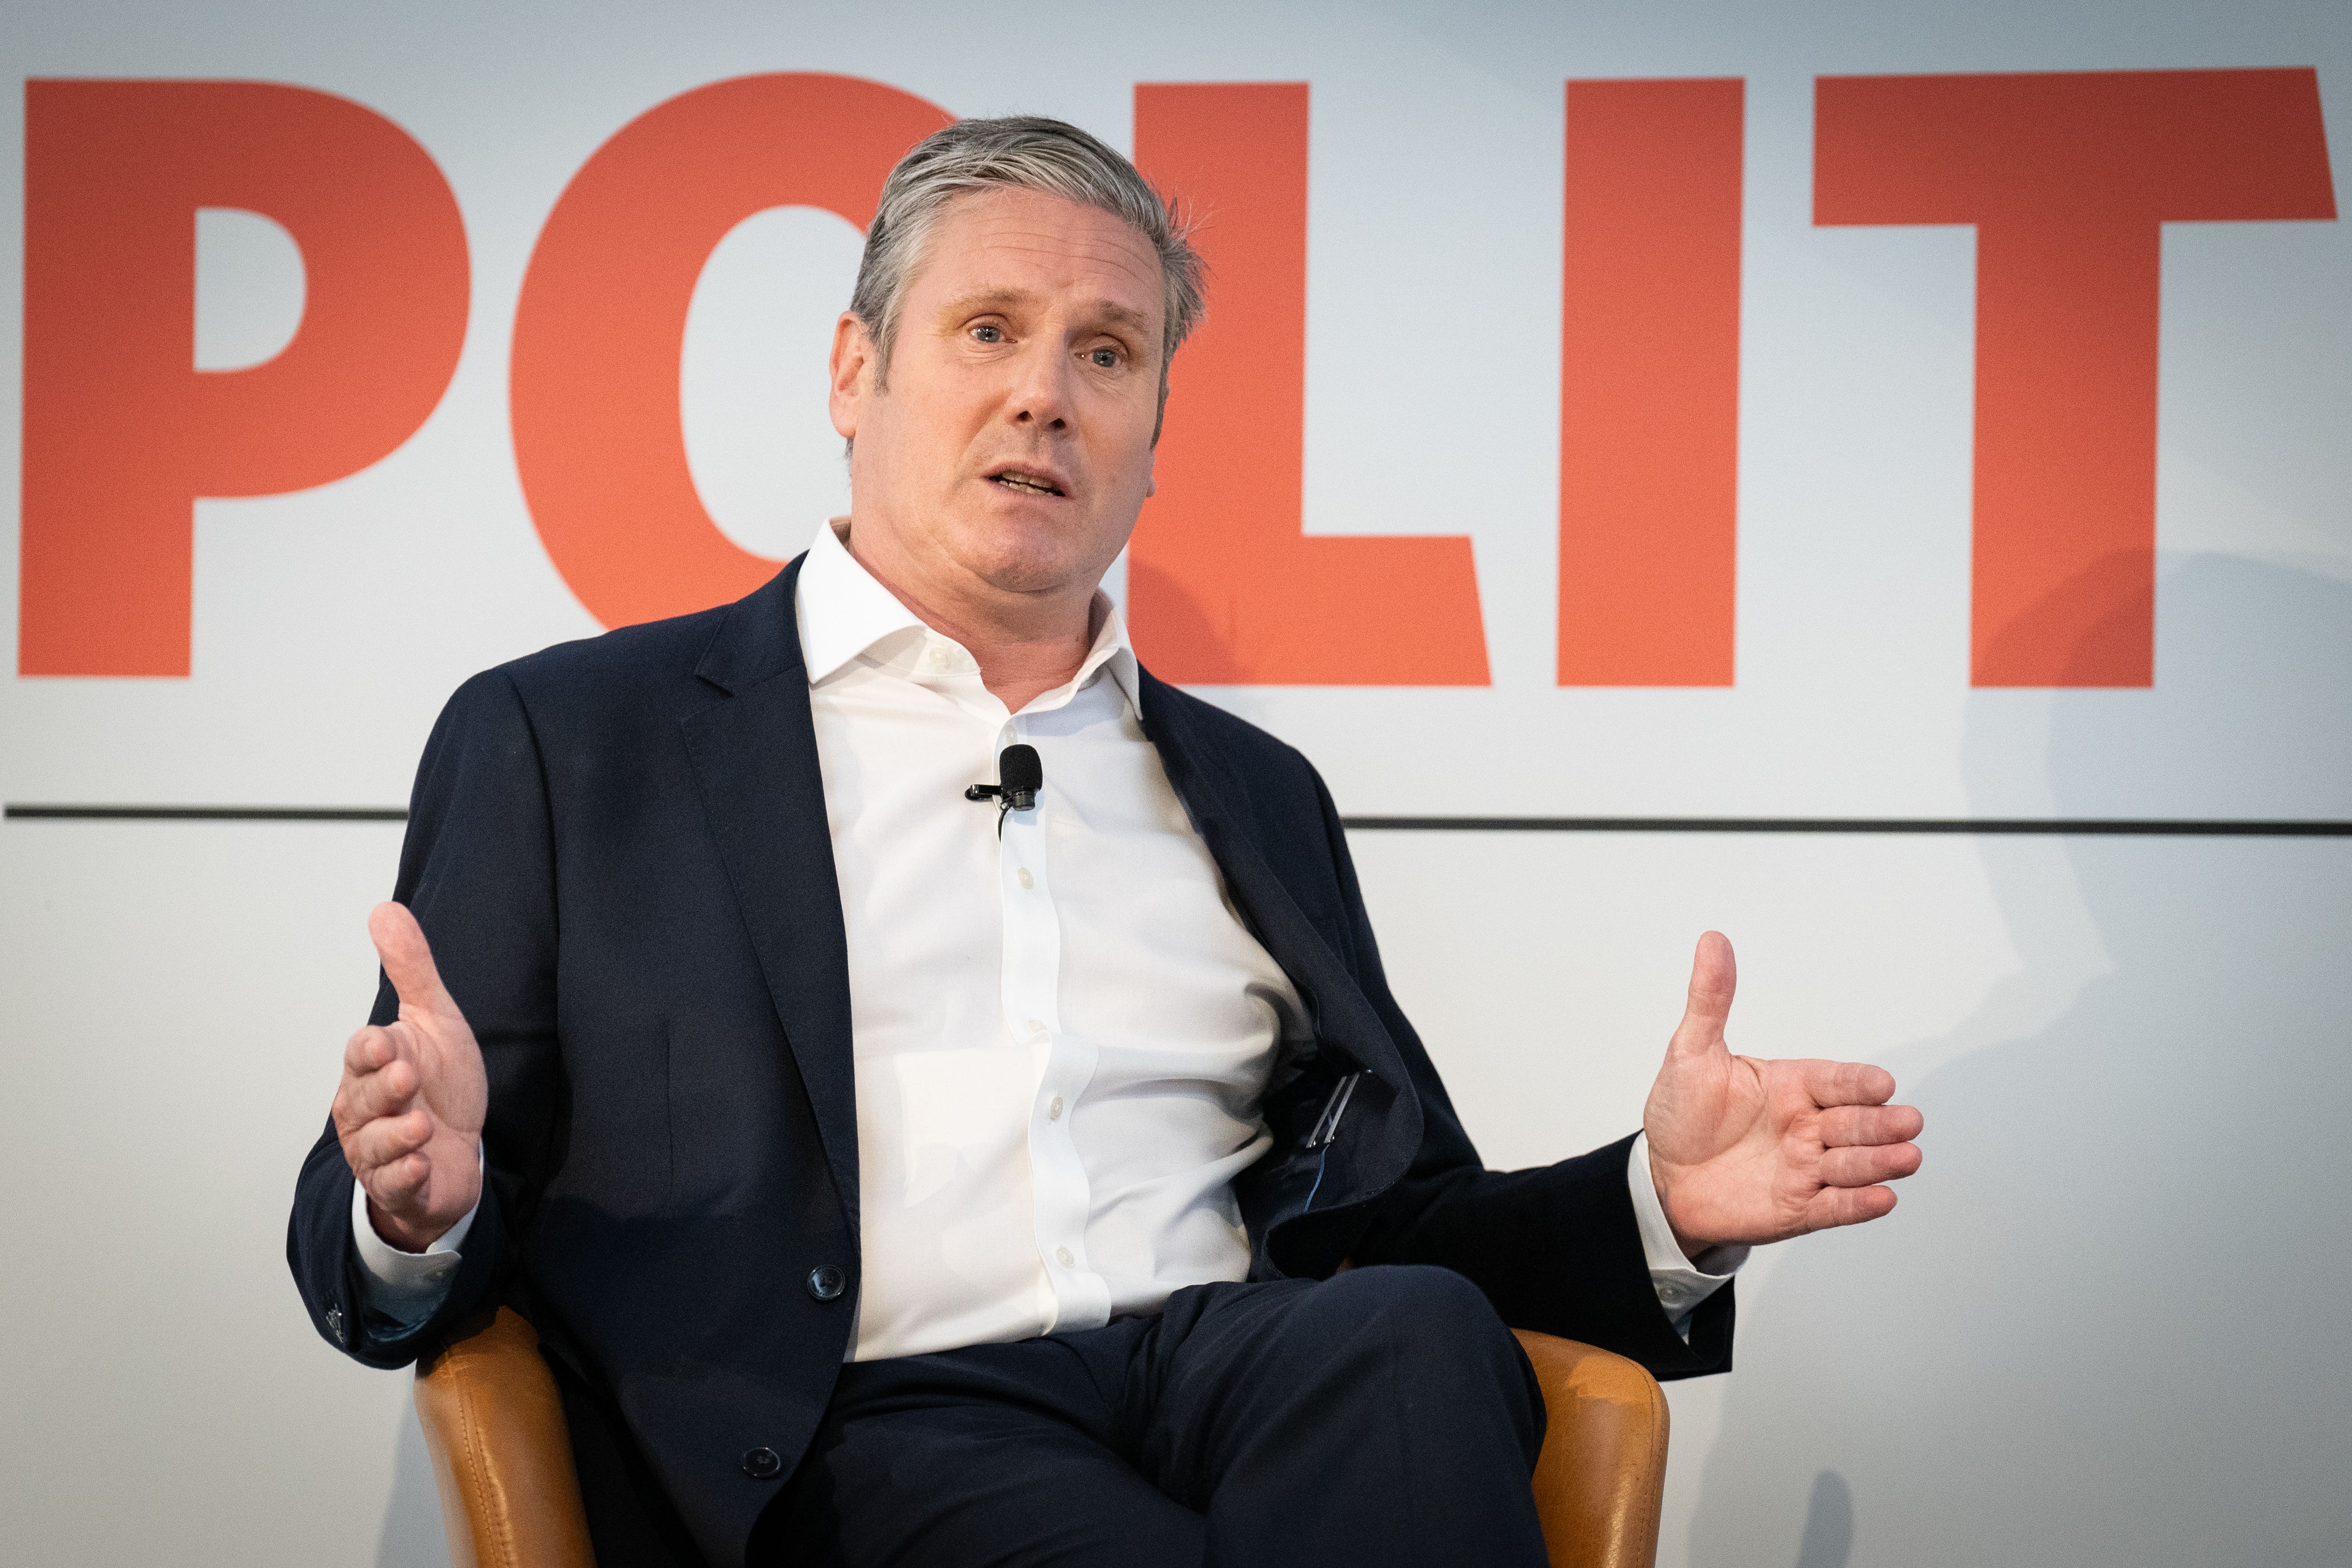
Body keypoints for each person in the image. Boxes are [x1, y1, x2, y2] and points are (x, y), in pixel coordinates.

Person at [289, 116, 1923, 1568]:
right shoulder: (579, 741)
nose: (1043, 395)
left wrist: (1662, 1202)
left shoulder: (1253, 788)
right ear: (853, 370)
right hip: (855, 1425)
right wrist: (421, 1202)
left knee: (1415, 1330)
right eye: (988, 330)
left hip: (1228, 1372)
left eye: (1108, 352)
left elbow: (1398, 1223)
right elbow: (385, 1232)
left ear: (1155, 430)